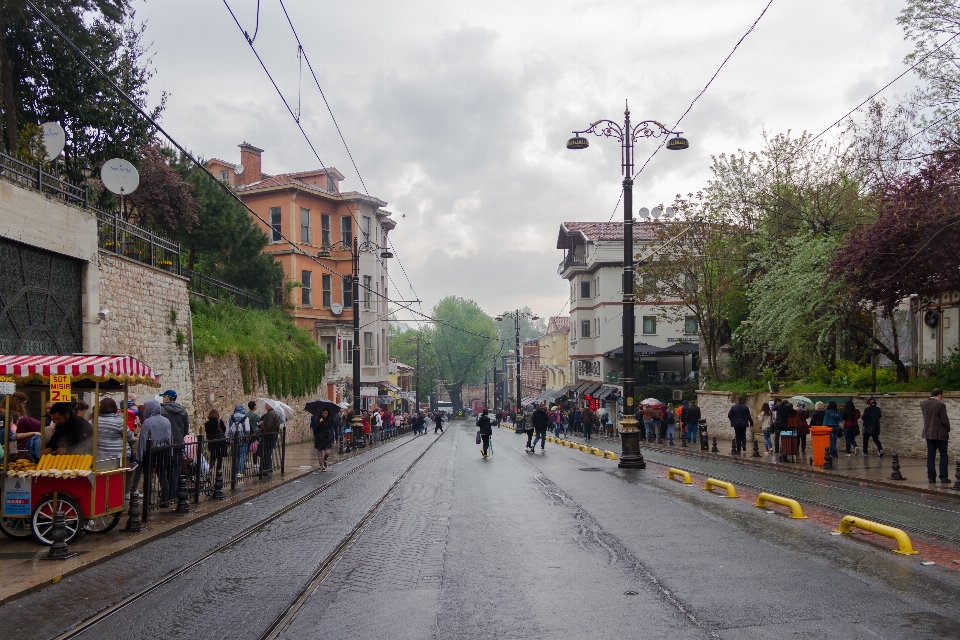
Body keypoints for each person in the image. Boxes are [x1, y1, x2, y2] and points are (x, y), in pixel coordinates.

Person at [137, 400, 172, 503]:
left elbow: (143, 440)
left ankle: (147, 500)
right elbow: (169, 439)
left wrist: (140, 456)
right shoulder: (166, 421)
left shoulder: (147, 422)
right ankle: (165, 498)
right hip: (163, 451)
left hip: (150, 451)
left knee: (147, 476)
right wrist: (170, 453)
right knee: (162, 475)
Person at [160, 390, 190, 498]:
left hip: (164, 443)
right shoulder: (183, 411)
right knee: (174, 468)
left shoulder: (161, 409)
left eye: (164, 397)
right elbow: (186, 429)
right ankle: (173, 493)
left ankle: (165, 493)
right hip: (177, 442)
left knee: (163, 468)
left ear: (167, 398)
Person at [920, 388, 951, 484]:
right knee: (943, 455)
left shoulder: (923, 404)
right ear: (939, 395)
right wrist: (948, 428)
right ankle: (943, 477)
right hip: (940, 434)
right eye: (942, 395)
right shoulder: (940, 405)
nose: (942, 397)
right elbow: (944, 420)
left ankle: (931, 477)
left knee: (930, 456)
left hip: (928, 434)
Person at [96, 397, 126, 464]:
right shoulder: (119, 421)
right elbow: (129, 436)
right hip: (118, 455)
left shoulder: (94, 421)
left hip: (100, 455)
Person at [228, 404, 250, 478]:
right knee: (242, 455)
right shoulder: (245, 418)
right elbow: (247, 430)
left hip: (234, 440)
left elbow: (227, 431)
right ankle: (240, 472)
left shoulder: (230, 418)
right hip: (243, 439)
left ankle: (234, 470)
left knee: (235, 455)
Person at [260, 402, 280, 473]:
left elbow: (268, 426)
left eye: (266, 404)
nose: (265, 405)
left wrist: (262, 426)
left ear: (269, 405)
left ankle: (265, 469)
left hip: (269, 436)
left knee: (266, 453)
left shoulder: (271, 414)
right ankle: (268, 467)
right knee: (268, 452)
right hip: (272, 436)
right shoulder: (273, 413)